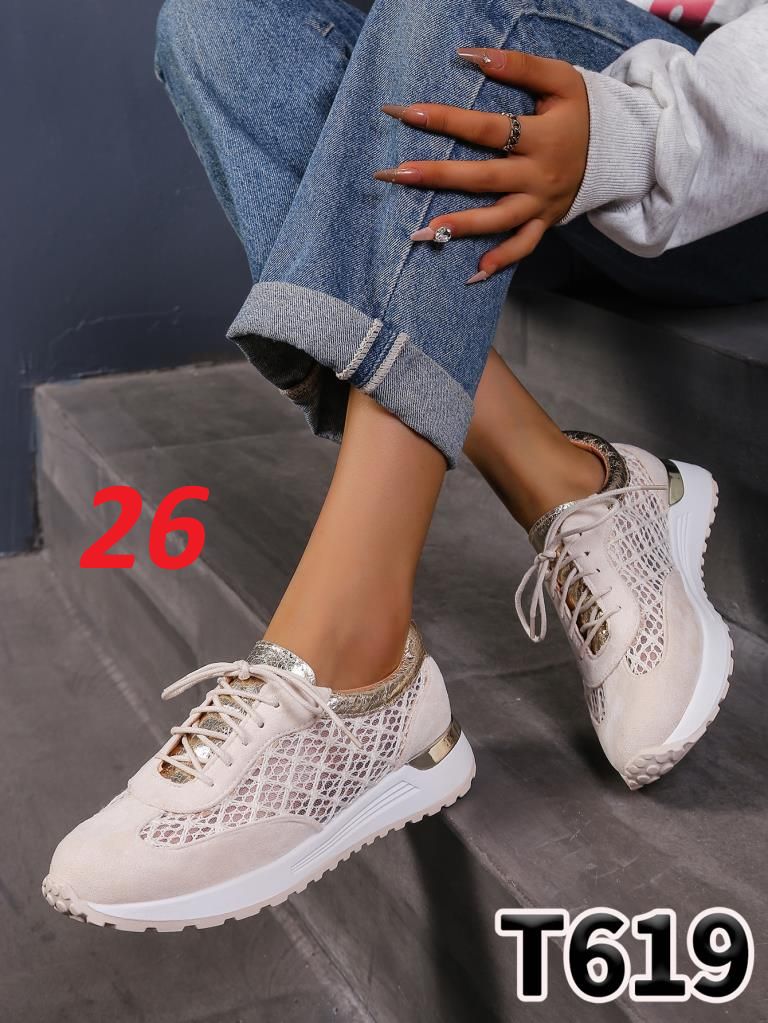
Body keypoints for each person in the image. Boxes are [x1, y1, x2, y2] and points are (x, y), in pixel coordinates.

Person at [42, 0, 767, 931]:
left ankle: (351, 657)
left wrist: (640, 139)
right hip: (551, 146)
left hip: (721, 156)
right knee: (223, 22)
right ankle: (568, 482)